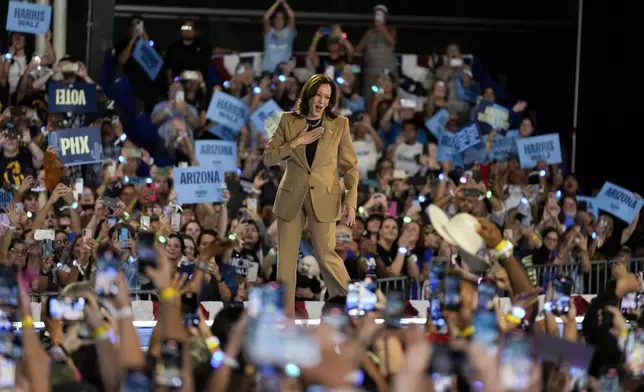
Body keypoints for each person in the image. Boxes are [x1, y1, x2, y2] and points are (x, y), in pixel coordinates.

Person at [263, 73, 359, 314]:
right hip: (291, 196)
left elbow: (350, 167)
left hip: (324, 197)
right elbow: (268, 157)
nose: (322, 100)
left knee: (326, 253)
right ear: (308, 94)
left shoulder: (340, 124)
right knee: (286, 258)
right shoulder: (287, 120)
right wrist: (297, 141)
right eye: (318, 94)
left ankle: (355, 303)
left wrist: (351, 202)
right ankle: (285, 316)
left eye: (327, 97)